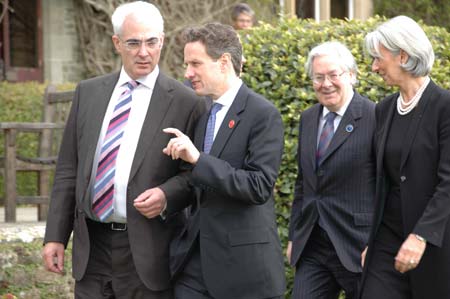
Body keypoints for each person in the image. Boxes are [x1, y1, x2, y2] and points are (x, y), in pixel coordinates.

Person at [41, 2, 205, 298]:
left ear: (162, 41)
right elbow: (68, 170)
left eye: (151, 42)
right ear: (117, 43)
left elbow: (195, 174)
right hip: (92, 248)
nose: (144, 52)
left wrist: (167, 195)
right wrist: (55, 236)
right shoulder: (88, 93)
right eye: (133, 43)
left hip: (148, 251)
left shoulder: (186, 102)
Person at [159, 22, 286, 299]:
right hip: (193, 265)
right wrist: (163, 197)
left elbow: (258, 186)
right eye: (186, 64)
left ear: (224, 62)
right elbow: (194, 183)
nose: (187, 73)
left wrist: (198, 159)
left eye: (195, 64)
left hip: (244, 273)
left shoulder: (262, 114)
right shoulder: (202, 111)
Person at [359, 15, 450, 299]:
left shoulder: (444, 106)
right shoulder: (384, 109)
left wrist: (421, 235)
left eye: (378, 58)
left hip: (434, 243)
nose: (374, 67)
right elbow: (379, 179)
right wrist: (369, 240)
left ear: (402, 55)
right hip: (386, 241)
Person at [286, 41, 376, 299]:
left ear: (351, 75)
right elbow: (304, 183)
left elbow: (387, 185)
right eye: (318, 77)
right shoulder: (308, 118)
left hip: (357, 245)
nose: (326, 83)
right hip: (313, 243)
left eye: (334, 75)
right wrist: (294, 235)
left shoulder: (375, 116)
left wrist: (377, 242)